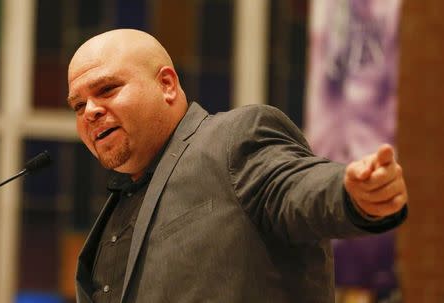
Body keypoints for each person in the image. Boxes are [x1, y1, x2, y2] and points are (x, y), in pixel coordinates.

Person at [67, 29, 407, 303]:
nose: (91, 111)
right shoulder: (116, 209)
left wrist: (350, 194)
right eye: (79, 105)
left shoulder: (231, 140)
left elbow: (293, 186)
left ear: (167, 85)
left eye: (108, 89)